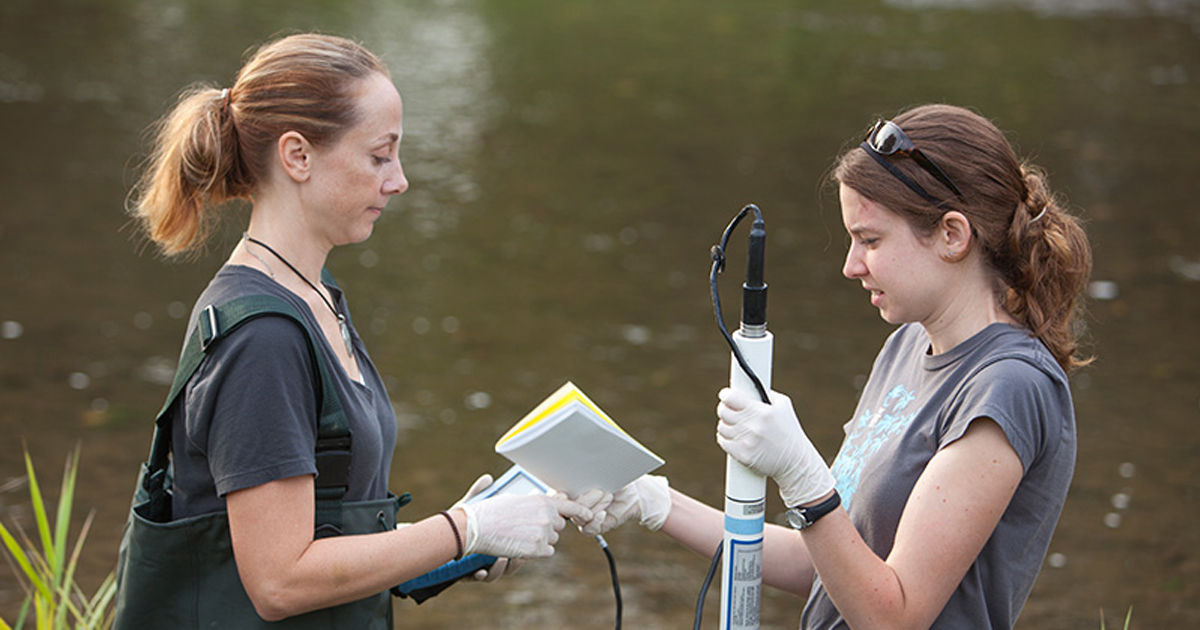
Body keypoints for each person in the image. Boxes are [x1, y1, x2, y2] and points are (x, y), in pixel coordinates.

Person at [117, 33, 590, 629]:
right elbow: (280, 581)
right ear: (298, 156)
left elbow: (326, 525)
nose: (400, 180)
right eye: (379, 156)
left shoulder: (317, 295)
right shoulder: (262, 338)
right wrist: (463, 528)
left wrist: (455, 546)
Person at [575, 103, 1091, 630]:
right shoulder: (906, 346)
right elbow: (823, 564)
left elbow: (895, 616)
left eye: (870, 240)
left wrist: (801, 475)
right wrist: (654, 502)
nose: (850, 265)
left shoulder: (1009, 386)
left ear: (952, 235)